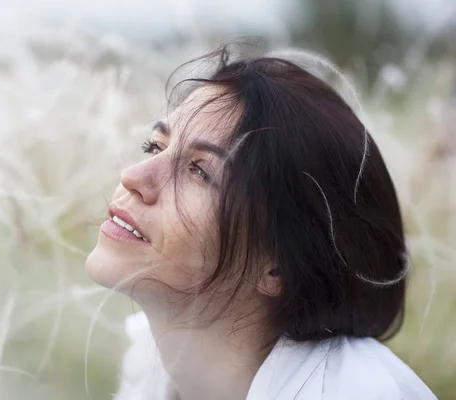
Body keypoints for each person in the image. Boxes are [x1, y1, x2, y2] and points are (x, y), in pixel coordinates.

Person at [85, 43, 438, 400]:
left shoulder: (362, 392)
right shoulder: (148, 364)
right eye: (155, 147)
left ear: (277, 266)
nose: (132, 176)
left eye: (199, 171)